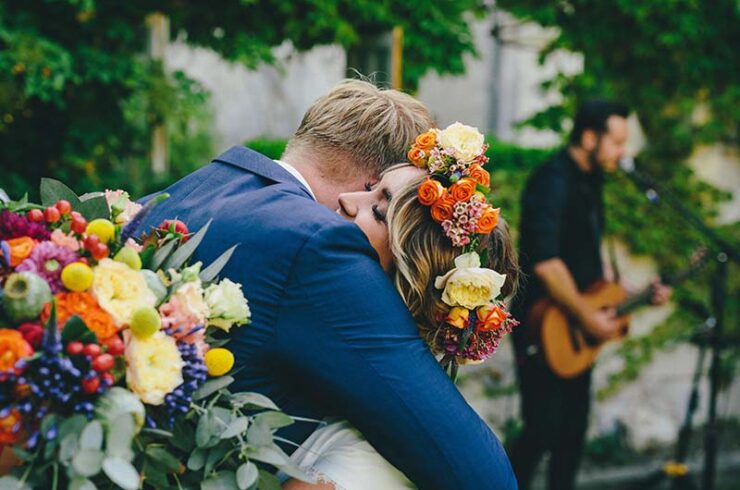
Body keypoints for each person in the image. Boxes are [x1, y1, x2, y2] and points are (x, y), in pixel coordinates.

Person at [136, 81, 518, 489]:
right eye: (375, 190)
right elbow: (479, 474)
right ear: (371, 174)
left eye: (379, 199)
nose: (354, 200)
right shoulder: (317, 245)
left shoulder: (164, 201)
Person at [284, 158, 519, 489]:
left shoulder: (364, 459)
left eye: (379, 212)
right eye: (370, 189)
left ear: (410, 285)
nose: (347, 200)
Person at [507, 100, 672, 490]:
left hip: (576, 326)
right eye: (616, 141)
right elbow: (547, 263)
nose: (622, 152)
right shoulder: (552, 181)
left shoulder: (591, 182)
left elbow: (588, 259)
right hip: (542, 324)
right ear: (588, 137)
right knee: (540, 431)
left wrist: (626, 292)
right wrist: (585, 315)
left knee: (571, 435)